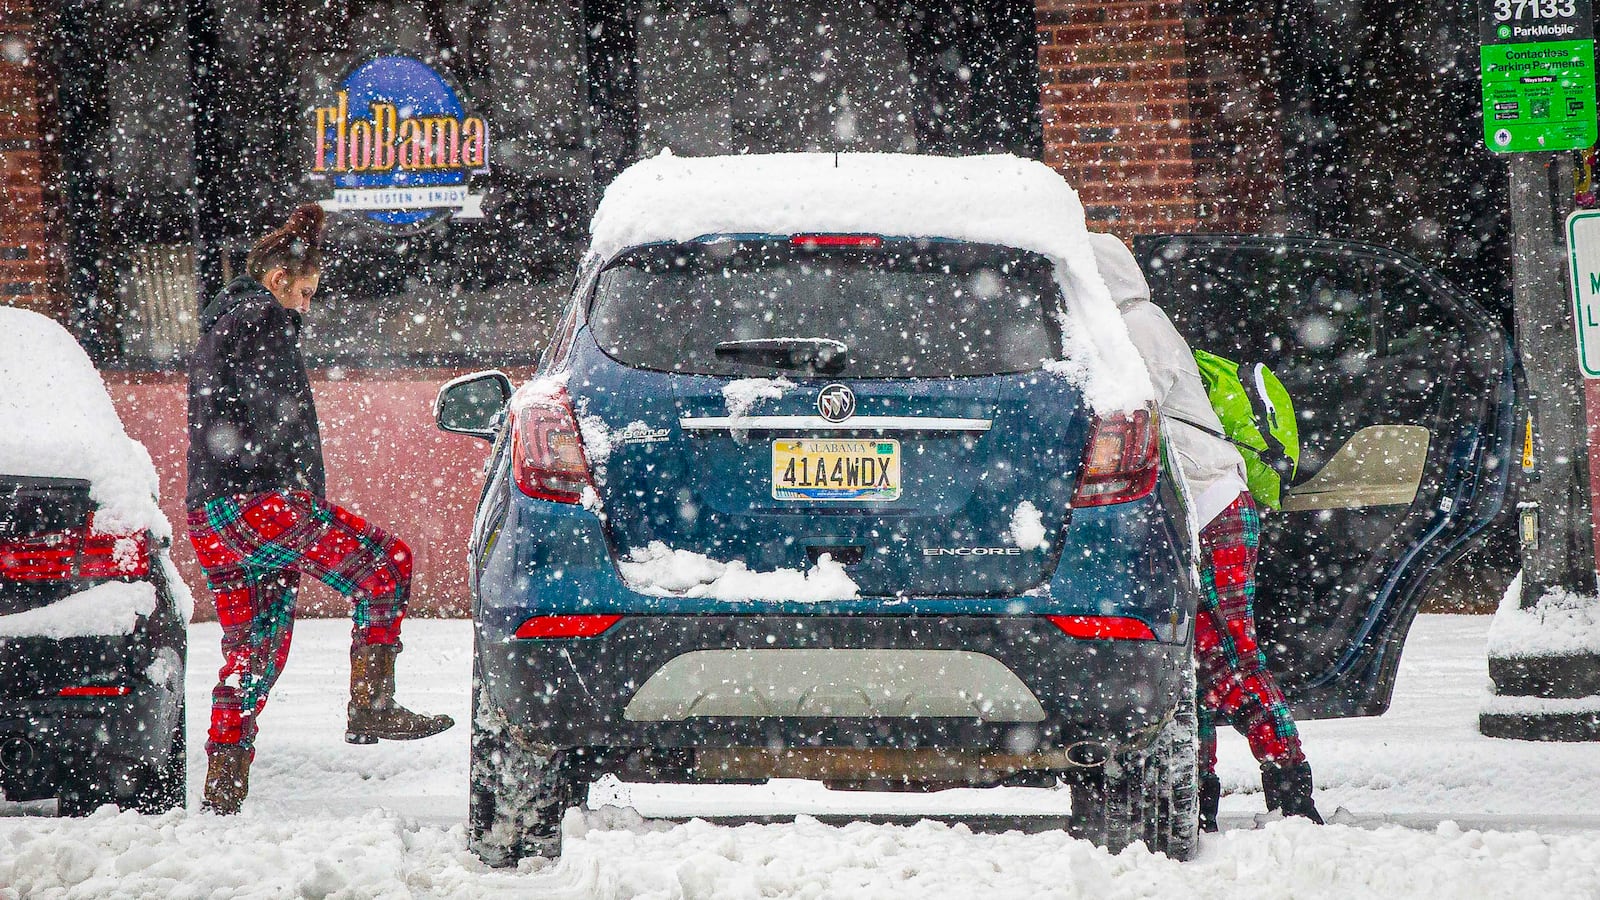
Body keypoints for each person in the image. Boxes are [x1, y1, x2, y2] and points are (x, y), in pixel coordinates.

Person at [186, 204, 453, 814]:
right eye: (305, 293)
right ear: (281, 281)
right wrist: (297, 489)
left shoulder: (218, 326)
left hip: (211, 516)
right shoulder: (264, 318)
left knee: (253, 651)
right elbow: (275, 414)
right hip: (263, 505)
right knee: (386, 563)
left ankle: (223, 794)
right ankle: (372, 706)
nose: (307, 306)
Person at [1090, 233, 1323, 831]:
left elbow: (1129, 413)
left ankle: (1288, 781)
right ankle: (1202, 790)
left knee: (1226, 651)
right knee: (1190, 658)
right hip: (1201, 506)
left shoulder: (1135, 329)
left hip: (1212, 503)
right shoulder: (1139, 323)